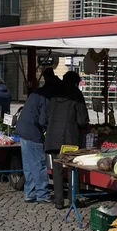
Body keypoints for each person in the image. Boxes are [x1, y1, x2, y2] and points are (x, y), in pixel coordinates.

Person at [45, 71, 89, 210]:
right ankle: (72, 201)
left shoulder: (54, 94)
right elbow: (82, 120)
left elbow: (47, 116)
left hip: (52, 137)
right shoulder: (76, 95)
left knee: (57, 169)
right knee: (72, 168)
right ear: (76, 82)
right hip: (69, 138)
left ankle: (59, 202)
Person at [16, 71, 62, 204]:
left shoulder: (37, 93)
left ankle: (29, 194)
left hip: (24, 132)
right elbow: (43, 120)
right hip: (33, 133)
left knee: (29, 166)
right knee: (39, 164)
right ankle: (42, 194)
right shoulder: (47, 97)